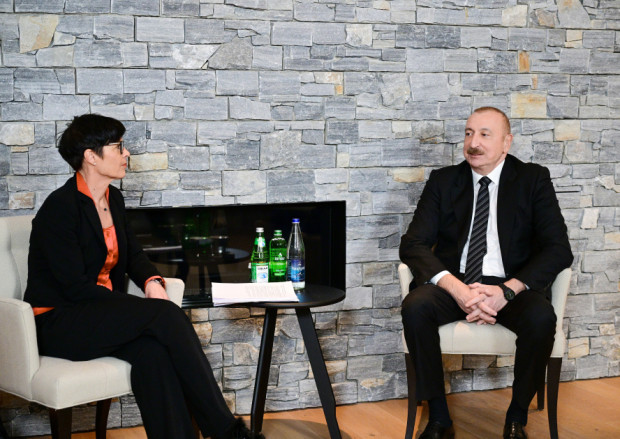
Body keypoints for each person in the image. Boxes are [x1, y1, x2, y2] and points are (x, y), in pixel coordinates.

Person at [24, 114, 263, 439]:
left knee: (153, 354)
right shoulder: (60, 208)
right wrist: (137, 309)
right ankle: (227, 432)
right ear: (91, 156)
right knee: (165, 316)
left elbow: (134, 255)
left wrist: (152, 282)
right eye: (118, 147)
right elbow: (74, 287)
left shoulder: (114, 199)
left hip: (97, 314)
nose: (127, 154)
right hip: (59, 321)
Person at [399, 107, 573, 439]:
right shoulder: (444, 181)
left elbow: (558, 249)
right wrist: (458, 289)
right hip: (456, 281)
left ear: (507, 143)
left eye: (484, 134)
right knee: (416, 306)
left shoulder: (532, 179)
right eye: (468, 133)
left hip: (509, 286)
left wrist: (506, 291)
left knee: (541, 318)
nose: (473, 143)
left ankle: (516, 418)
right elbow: (413, 244)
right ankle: (439, 418)